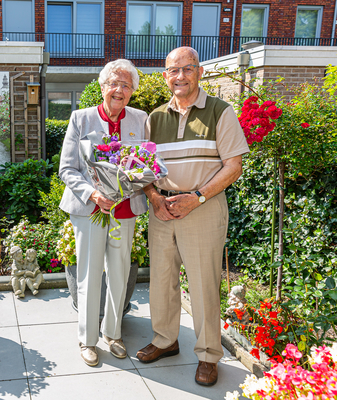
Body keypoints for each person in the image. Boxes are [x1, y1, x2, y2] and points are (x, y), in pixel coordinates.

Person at [135, 46, 249, 386]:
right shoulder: (154, 118)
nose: (180, 76)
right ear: (165, 75)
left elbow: (234, 166)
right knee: (161, 280)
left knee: (202, 284)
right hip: (162, 211)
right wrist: (154, 197)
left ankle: (208, 355)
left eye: (187, 68)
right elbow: (143, 170)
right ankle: (165, 340)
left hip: (202, 208)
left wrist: (196, 197)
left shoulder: (219, 111)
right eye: (173, 70)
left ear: (199, 72)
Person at [59, 59, 148, 366]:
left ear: (133, 90)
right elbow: (67, 169)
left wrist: (134, 183)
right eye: (113, 83)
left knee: (120, 274)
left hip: (125, 210)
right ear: (102, 86)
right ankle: (87, 339)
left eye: (126, 85)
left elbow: (146, 165)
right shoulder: (80, 118)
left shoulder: (140, 119)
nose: (119, 90)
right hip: (89, 209)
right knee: (88, 274)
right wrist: (94, 193)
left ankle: (113, 333)